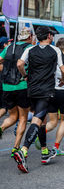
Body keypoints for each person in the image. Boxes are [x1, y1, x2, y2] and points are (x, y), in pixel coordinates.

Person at [14, 26, 64, 173]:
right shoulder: (55, 50)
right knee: (38, 120)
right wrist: (63, 80)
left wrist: (25, 75)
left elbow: (19, 64)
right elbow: (63, 69)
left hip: (31, 89)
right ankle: (23, 150)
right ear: (49, 36)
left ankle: (44, 151)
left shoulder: (30, 49)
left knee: (42, 121)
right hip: (46, 90)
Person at [0, 28, 32, 158]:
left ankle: (0, 129)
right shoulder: (30, 48)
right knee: (23, 118)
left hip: (7, 86)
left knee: (13, 116)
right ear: (29, 36)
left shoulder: (9, 48)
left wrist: (6, 68)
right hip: (22, 86)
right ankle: (15, 148)